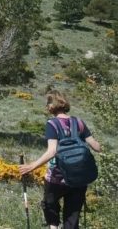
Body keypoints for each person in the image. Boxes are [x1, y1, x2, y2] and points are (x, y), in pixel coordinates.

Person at [19, 90, 101, 229]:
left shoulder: (52, 124)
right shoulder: (79, 122)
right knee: (72, 215)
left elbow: (52, 151)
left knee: (50, 204)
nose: (47, 107)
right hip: (79, 178)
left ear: (52, 105)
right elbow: (97, 147)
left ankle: (53, 226)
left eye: (48, 103)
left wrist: (32, 166)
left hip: (57, 177)